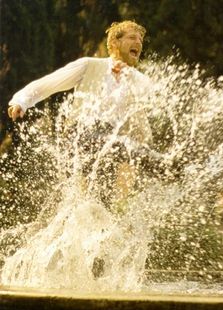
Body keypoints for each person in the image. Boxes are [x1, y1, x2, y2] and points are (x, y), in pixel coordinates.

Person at [8, 20, 155, 207]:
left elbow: (147, 110)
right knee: (119, 145)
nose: (139, 43)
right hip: (80, 135)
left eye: (141, 40)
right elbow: (50, 82)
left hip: (110, 147)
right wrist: (22, 101)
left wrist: (131, 77)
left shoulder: (140, 81)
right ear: (114, 43)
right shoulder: (89, 65)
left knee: (100, 204)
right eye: (132, 37)